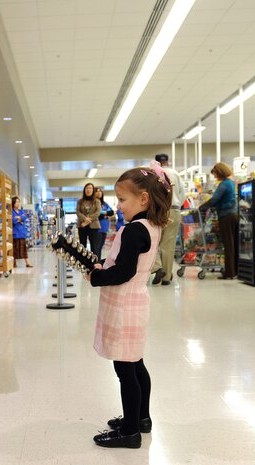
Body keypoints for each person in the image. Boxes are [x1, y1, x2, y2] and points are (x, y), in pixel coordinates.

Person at [84, 163, 172, 449]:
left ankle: (130, 432)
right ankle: (141, 418)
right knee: (136, 364)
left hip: (123, 305)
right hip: (137, 302)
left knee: (125, 371)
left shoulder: (134, 230)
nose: (118, 205)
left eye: (122, 199)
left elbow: (123, 272)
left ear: (143, 199)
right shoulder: (153, 225)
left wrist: (96, 276)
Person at [199, 162, 238, 279]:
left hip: (226, 216)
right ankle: (235, 270)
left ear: (220, 172)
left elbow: (214, 199)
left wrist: (201, 207)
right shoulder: (230, 183)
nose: (215, 176)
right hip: (233, 215)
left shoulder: (224, 184)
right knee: (233, 244)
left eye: (215, 174)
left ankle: (229, 273)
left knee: (228, 244)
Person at [151, 153, 185, 285]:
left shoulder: (154, 173)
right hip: (174, 209)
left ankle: (158, 268)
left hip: (159, 210)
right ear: (168, 162)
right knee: (168, 245)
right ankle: (166, 277)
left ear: (156, 162)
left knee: (154, 241)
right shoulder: (175, 174)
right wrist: (176, 204)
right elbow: (183, 193)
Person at [77, 182, 101, 253]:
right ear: (84, 190)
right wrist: (85, 219)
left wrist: (89, 219)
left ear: (93, 190)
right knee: (82, 247)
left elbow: (98, 212)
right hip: (82, 225)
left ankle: (94, 264)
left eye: (90, 188)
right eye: (87, 188)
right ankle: (83, 263)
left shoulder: (97, 201)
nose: (88, 190)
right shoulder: (80, 201)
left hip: (94, 226)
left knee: (94, 248)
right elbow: (78, 212)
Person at [11, 196, 33, 268]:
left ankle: (27, 262)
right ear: (13, 203)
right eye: (16, 202)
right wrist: (19, 219)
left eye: (19, 202)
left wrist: (19, 218)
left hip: (21, 233)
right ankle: (13, 262)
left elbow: (24, 217)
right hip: (15, 233)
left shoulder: (21, 211)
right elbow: (13, 221)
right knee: (14, 248)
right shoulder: (11, 212)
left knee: (23, 248)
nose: (18, 203)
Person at [94, 187, 115, 259]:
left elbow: (111, 212)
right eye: (97, 191)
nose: (99, 193)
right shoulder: (94, 203)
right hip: (97, 229)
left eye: (100, 191)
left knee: (100, 248)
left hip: (104, 228)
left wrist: (103, 213)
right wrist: (106, 214)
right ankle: (95, 264)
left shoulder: (105, 204)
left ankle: (98, 263)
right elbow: (97, 215)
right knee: (96, 249)